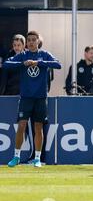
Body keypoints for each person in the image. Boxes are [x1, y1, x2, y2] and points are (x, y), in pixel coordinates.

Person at [3, 31, 61, 168]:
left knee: (38, 127)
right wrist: (22, 64)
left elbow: (58, 65)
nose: (30, 42)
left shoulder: (44, 54)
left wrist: (38, 63)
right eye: (28, 40)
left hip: (40, 97)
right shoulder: (23, 55)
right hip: (26, 98)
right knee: (21, 125)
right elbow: (6, 64)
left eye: (33, 40)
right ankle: (16, 156)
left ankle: (37, 158)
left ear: (38, 42)